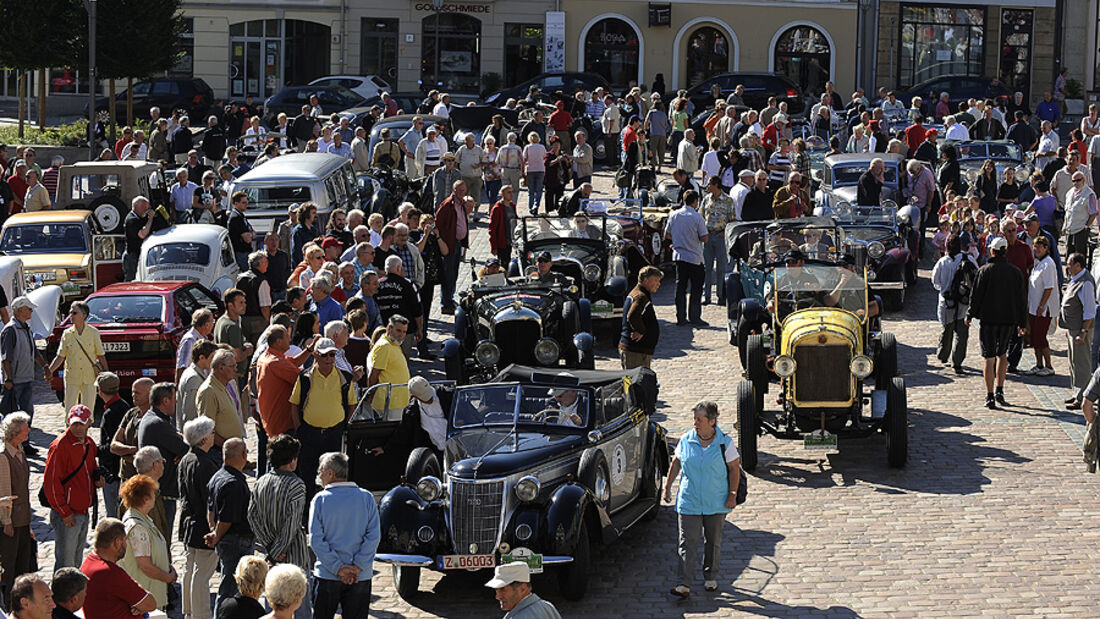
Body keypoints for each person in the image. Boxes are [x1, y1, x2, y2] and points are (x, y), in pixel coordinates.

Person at [663, 401, 740, 598]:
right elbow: (676, 463)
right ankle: (684, 583)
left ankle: (710, 577)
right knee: (687, 542)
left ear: (712, 421)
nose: (695, 423)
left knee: (713, 541)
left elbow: (734, 469)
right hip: (689, 501)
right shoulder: (686, 440)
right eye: (695, 419)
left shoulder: (725, 443)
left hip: (716, 501)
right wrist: (667, 486)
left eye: (700, 419)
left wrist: (732, 494)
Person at [308, 452, 380, 619]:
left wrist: (338, 568)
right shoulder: (366, 497)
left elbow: (316, 540)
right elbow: (374, 536)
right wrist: (357, 567)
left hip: (327, 575)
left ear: (330, 473)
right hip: (360, 576)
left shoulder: (320, 500)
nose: (319, 475)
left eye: (321, 471)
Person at [290, 338, 357, 498]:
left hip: (333, 434)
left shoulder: (345, 378)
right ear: (316, 356)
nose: (329, 359)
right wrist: (299, 428)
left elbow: (352, 404)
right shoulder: (305, 377)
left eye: (332, 355)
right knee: (306, 474)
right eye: (325, 355)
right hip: (309, 434)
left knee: (333, 476)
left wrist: (342, 426)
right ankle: (306, 511)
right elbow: (294, 404)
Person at [967, 236, 1027, 409]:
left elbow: (976, 296)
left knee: (989, 356)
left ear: (992, 251)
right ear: (1005, 251)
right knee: (1002, 354)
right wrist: (1022, 322)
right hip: (1008, 319)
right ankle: (1000, 389)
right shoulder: (1015, 272)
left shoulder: (985, 270)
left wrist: (970, 314)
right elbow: (1021, 299)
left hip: (989, 319)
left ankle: (990, 394)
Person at [45, 405, 101, 568]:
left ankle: (74, 593)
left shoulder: (89, 443)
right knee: (66, 563)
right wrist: (64, 512)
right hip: (68, 514)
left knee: (76, 561)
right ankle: (61, 594)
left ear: (89, 423)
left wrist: (98, 478)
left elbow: (91, 468)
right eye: (74, 423)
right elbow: (51, 482)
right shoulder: (60, 445)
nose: (77, 428)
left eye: (81, 424)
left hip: (82, 510)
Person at [248, 434, 309, 578]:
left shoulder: (261, 482)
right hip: (293, 554)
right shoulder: (296, 484)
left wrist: (268, 544)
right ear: (292, 460)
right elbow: (292, 522)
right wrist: (276, 552)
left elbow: (252, 516)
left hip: (271, 550)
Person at [205, 438, 253, 612]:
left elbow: (210, 509)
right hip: (235, 541)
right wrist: (216, 535)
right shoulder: (233, 482)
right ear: (243, 455)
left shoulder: (218, 476)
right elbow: (227, 518)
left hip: (227, 540)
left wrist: (213, 532)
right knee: (230, 589)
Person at [178, 417, 219, 619]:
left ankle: (188, 611)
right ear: (204, 439)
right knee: (201, 574)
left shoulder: (186, 459)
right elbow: (210, 500)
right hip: (203, 525)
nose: (214, 435)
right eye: (211, 433)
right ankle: (200, 614)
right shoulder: (205, 464)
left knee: (190, 569)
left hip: (188, 523)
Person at [80, 518, 158, 618]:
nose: (126, 545)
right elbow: (150, 604)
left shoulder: (88, 563)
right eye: (125, 540)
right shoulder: (110, 573)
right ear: (117, 542)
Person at [117, 475, 175, 610]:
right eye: (153, 493)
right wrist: (167, 577)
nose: (155, 496)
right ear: (145, 499)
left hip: (150, 591)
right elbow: (145, 566)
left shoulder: (144, 519)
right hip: (146, 596)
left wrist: (167, 567)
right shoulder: (138, 528)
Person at [47, 301, 108, 415]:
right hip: (72, 377)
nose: (71, 315)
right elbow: (60, 356)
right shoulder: (67, 333)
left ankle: (85, 430)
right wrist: (50, 371)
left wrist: (106, 374)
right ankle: (69, 430)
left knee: (88, 409)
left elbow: (100, 355)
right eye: (70, 312)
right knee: (70, 409)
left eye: (74, 313)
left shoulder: (93, 332)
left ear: (84, 315)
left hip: (89, 377)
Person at [0, 412, 34, 599]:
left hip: (23, 518)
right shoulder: (3, 456)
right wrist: (7, 522)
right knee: (9, 564)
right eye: (25, 428)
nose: (28, 430)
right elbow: (5, 491)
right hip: (11, 521)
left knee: (23, 563)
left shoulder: (19, 450)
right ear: (15, 432)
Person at [932, 234, 976, 375]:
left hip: (947, 303)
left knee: (947, 329)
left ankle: (943, 354)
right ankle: (957, 362)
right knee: (961, 334)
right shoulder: (968, 259)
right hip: (963, 303)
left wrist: (944, 289)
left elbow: (935, 281)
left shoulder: (943, 262)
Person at [664, 190, 708, 326]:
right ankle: (694, 317)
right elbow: (704, 238)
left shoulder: (674, 215)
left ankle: (681, 317)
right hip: (694, 256)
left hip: (679, 256)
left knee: (680, 288)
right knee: (696, 289)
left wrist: (679, 239)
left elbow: (667, 234)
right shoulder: (697, 217)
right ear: (695, 201)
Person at [1062, 253, 1096, 410]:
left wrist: (1083, 331)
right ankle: (1077, 392)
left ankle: (1083, 396)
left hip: (1080, 330)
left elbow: (1089, 310)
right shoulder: (1075, 279)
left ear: (1078, 265)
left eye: (1069, 264)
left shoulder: (1086, 283)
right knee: (1074, 362)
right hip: (1073, 328)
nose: (1067, 267)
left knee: (1082, 363)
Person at [196, 349, 246, 447]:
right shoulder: (209, 391)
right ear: (221, 368)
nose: (236, 369)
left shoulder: (222, 386)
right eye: (232, 366)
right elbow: (207, 429)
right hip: (220, 451)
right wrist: (227, 447)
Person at [1025, 235, 1059, 377]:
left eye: (1040, 246)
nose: (1037, 249)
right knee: (1034, 338)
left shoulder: (1048, 264)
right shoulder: (1037, 263)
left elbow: (1049, 287)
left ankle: (1049, 366)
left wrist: (1041, 306)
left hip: (1043, 309)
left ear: (1046, 248)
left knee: (1040, 337)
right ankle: (1039, 364)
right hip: (1033, 308)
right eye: (1035, 246)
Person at [366, 316, 411, 420]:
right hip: (390, 404)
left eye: (404, 332)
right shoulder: (384, 346)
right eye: (399, 331)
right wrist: (370, 395)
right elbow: (374, 374)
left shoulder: (393, 344)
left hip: (397, 402)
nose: (402, 335)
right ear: (389, 329)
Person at [700, 176, 735, 306]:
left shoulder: (728, 200)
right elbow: (701, 216)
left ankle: (721, 295)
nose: (707, 187)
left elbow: (732, 220)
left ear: (716, 185)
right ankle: (707, 296)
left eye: (709, 184)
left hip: (721, 237)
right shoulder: (706, 199)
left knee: (721, 268)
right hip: (708, 236)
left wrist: (725, 232)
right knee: (707, 267)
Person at [619, 266, 663, 369]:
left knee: (630, 381)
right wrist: (641, 331)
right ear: (646, 280)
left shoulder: (637, 293)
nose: (658, 284)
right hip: (636, 352)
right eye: (656, 280)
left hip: (636, 351)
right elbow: (633, 315)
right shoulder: (640, 296)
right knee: (634, 382)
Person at [484, 561, 561, 619]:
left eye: (503, 589)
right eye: (496, 590)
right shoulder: (547, 607)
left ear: (523, 589)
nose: (498, 596)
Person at [216, 289, 254, 386]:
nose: (244, 305)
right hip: (235, 377)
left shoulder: (221, 320)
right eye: (240, 302)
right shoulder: (232, 326)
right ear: (230, 305)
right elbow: (237, 357)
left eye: (244, 302)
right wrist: (248, 351)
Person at [236, 251, 272, 345]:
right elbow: (264, 306)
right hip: (258, 321)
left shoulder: (240, 278)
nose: (267, 264)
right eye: (266, 262)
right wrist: (268, 322)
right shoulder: (261, 280)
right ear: (259, 264)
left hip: (242, 319)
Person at [176, 308, 215, 382]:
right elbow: (182, 367)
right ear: (206, 325)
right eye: (212, 322)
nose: (213, 324)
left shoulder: (203, 338)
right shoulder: (190, 340)